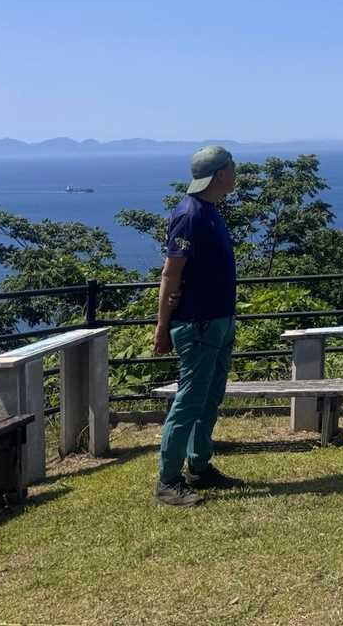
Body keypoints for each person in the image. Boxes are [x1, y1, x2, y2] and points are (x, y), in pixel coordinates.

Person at [152, 145, 244, 505]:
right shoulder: (189, 215)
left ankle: (199, 466)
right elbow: (170, 274)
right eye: (232, 167)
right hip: (198, 324)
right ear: (219, 174)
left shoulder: (210, 211)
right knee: (190, 401)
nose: (236, 173)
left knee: (209, 398)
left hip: (218, 321)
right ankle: (168, 481)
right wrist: (162, 327)